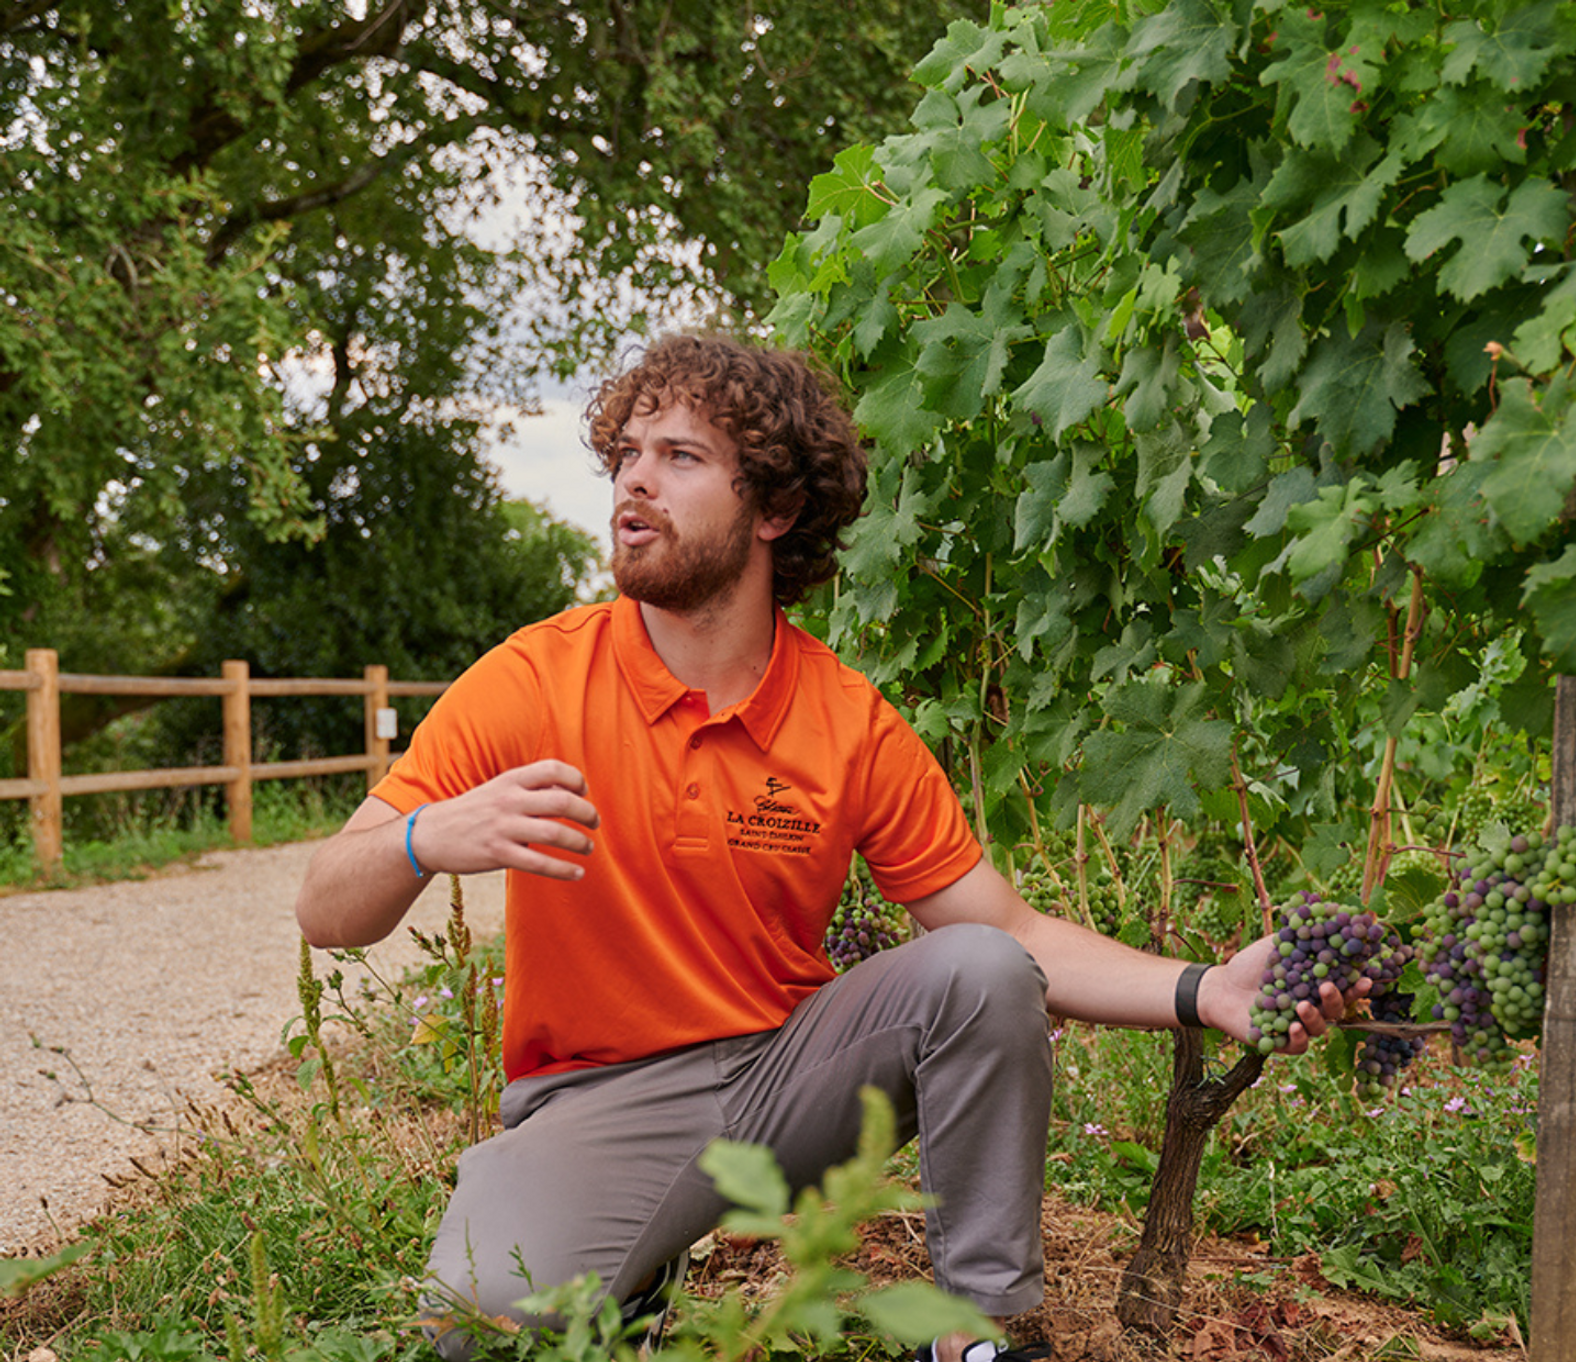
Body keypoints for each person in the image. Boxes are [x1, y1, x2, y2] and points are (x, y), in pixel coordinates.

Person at [294, 332, 1362, 1362]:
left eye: (679, 458)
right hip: (594, 1103)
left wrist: (1206, 987)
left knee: (978, 970)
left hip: (782, 1079)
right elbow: (324, 911)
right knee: (479, 1327)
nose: (634, 484)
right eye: (626, 453)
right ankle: (631, 1275)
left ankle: (973, 1338)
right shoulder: (535, 677)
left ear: (779, 508)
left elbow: (1007, 934)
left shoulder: (845, 719)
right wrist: (430, 836)